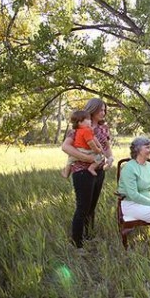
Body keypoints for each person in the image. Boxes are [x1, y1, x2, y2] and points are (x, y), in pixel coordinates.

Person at [61, 98, 114, 249]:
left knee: (92, 207)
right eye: (100, 110)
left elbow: (106, 146)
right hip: (82, 171)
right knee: (82, 207)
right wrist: (87, 158)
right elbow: (65, 147)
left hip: (99, 170)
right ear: (92, 109)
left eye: (105, 110)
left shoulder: (104, 128)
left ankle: (88, 237)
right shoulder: (78, 128)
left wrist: (110, 158)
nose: (103, 113)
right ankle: (77, 244)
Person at [61, 110, 106, 178]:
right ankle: (92, 168)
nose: (90, 121)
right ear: (80, 122)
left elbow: (93, 138)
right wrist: (97, 150)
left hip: (78, 149)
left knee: (70, 161)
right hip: (86, 150)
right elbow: (91, 143)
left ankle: (66, 174)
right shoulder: (86, 130)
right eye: (88, 119)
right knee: (100, 158)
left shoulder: (78, 130)